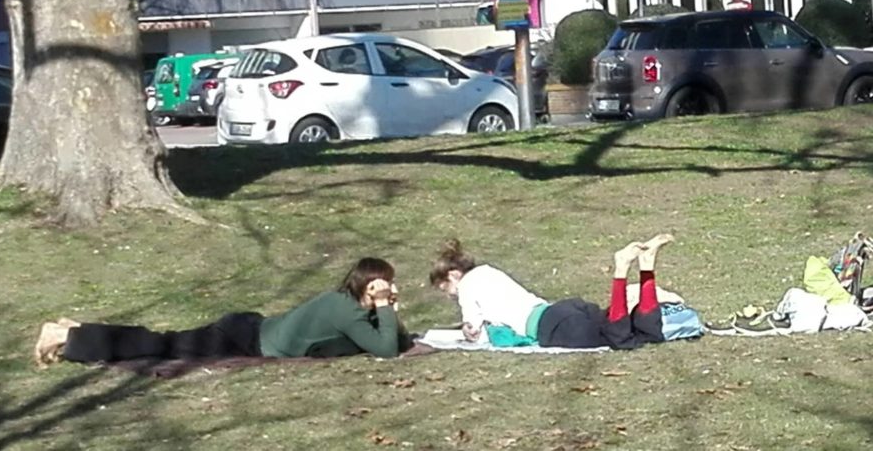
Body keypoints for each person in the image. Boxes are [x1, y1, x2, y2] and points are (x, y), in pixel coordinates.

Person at [34, 258, 410, 367]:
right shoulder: (349, 311)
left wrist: (389, 310)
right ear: (369, 286)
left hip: (250, 326)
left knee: (163, 341)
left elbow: (397, 340)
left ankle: (78, 329)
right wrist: (383, 307)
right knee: (160, 344)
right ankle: (70, 337)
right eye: (385, 284)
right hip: (243, 337)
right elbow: (388, 350)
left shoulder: (349, 306)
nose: (391, 289)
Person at [429, 235, 675, 350]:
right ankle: (646, 266)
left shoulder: (466, 286)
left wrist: (468, 329)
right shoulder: (487, 270)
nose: (449, 295)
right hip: (562, 310)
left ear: (452, 275)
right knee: (647, 333)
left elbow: (472, 326)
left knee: (619, 337)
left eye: (445, 289)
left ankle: (621, 268)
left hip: (549, 325)